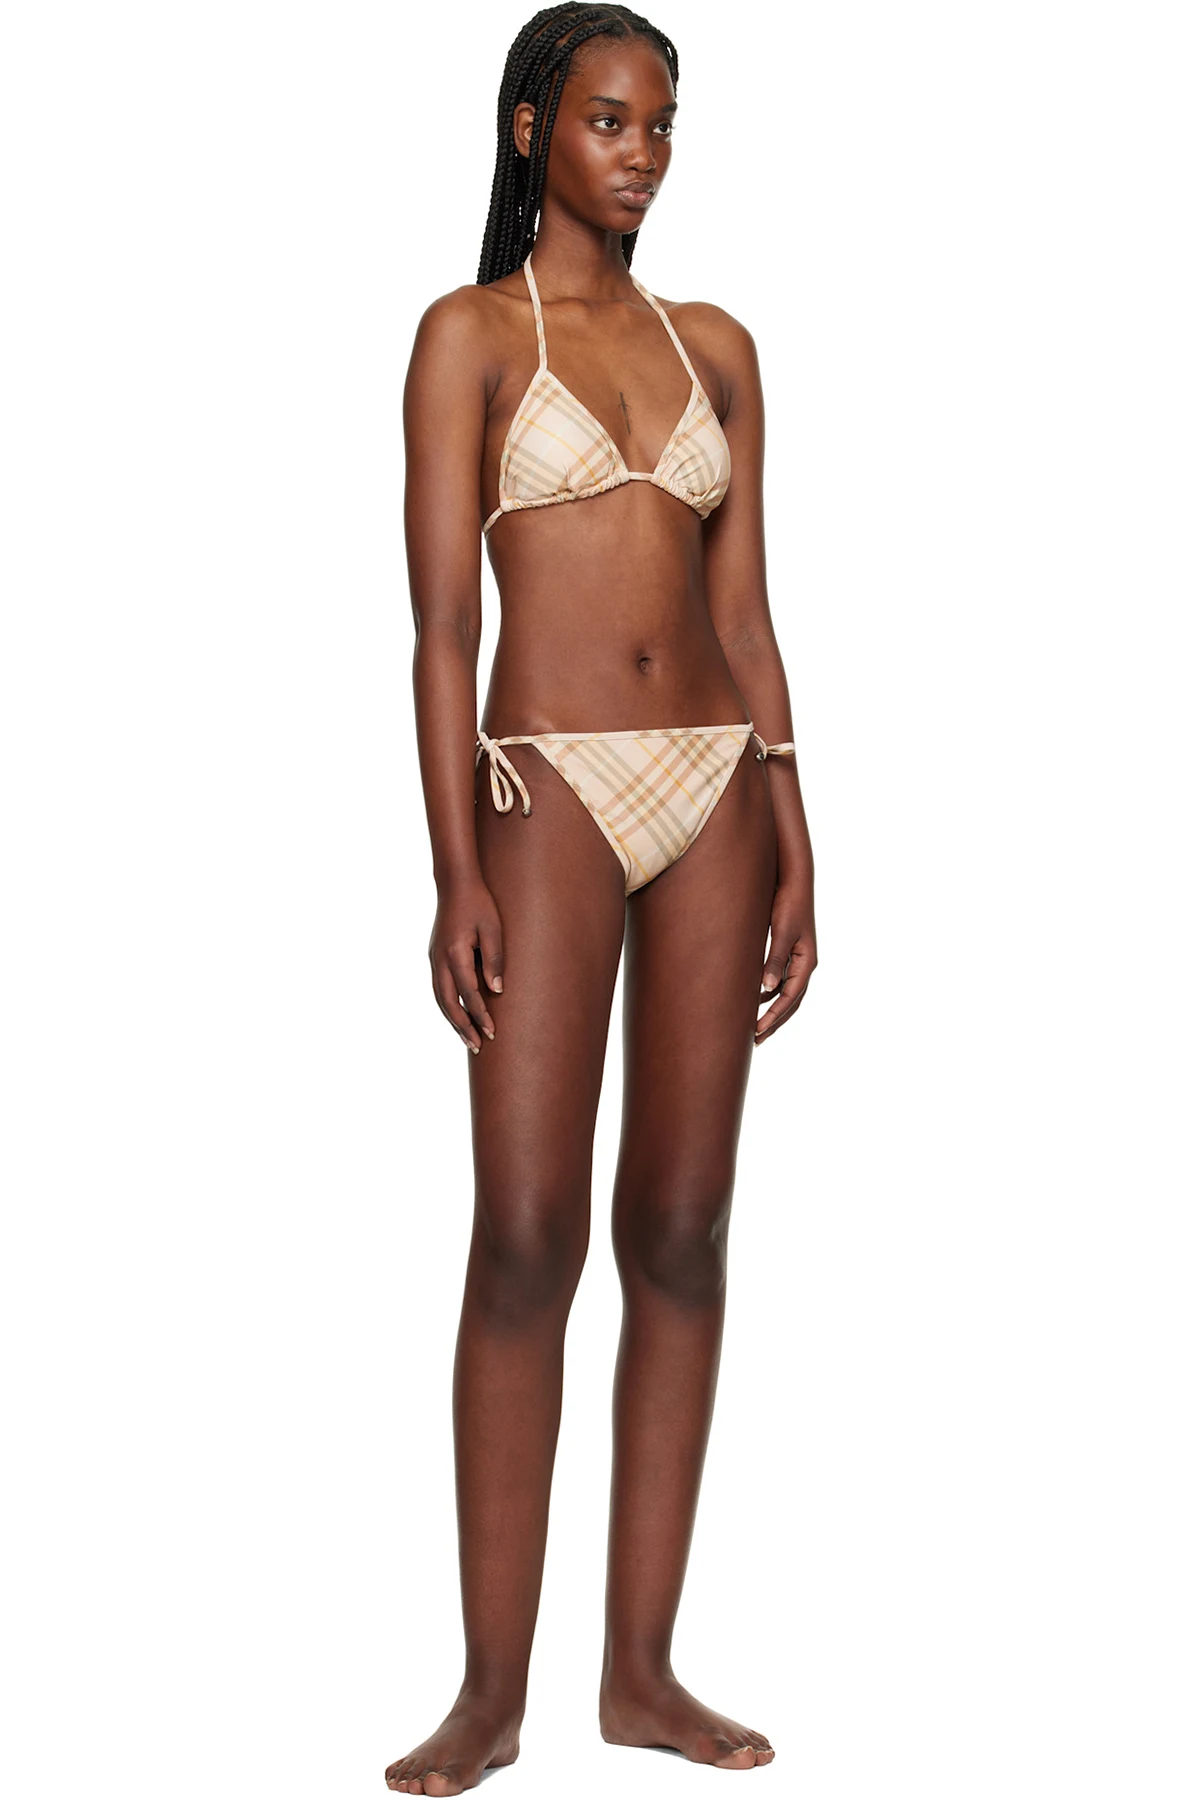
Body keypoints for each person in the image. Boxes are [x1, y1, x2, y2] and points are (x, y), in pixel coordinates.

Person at [388, 6, 816, 1792]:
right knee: (523, 1234)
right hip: (543, 787)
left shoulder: (716, 348)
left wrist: (796, 822)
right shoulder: (471, 337)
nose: (644, 153)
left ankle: (639, 1672)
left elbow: (749, 614)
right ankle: (490, 1694)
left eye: (663, 124)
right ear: (531, 130)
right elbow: (441, 629)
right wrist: (452, 868)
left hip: (715, 783)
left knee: (687, 1229)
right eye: (611, 121)